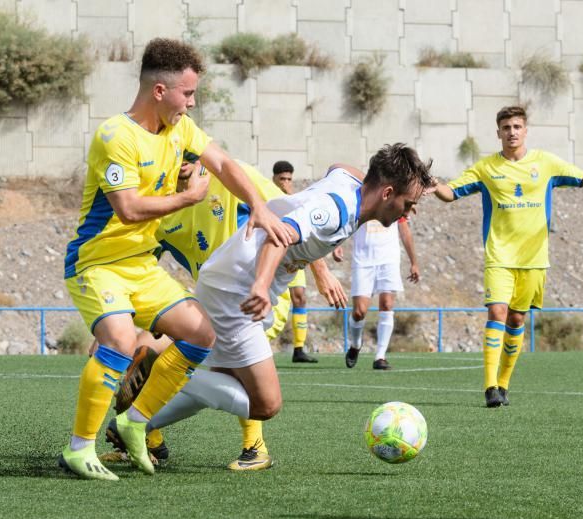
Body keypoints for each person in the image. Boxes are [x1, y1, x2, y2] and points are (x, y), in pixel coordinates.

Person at [112, 144, 433, 471]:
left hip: (227, 280)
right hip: (236, 293)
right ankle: (155, 373)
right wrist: (261, 287)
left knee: (222, 380)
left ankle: (136, 423)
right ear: (387, 192)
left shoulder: (351, 183)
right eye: (407, 204)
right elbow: (280, 237)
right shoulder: (335, 211)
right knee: (265, 405)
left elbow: (339, 163)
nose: (407, 213)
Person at [58, 38, 291, 481]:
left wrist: (259, 206)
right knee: (121, 341)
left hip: (141, 266)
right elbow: (127, 207)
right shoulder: (115, 135)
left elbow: (223, 163)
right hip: (97, 263)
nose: (192, 102)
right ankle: (78, 449)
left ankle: (135, 423)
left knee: (201, 332)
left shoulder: (180, 130)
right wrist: (187, 199)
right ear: (160, 91)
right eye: (187, 93)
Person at [103, 153, 345, 471]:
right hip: (213, 300)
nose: (184, 158)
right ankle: (149, 441)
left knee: (209, 369)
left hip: (259, 297)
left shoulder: (230, 176)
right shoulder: (159, 210)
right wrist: (116, 314)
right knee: (139, 352)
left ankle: (252, 447)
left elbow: (293, 216)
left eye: (189, 150)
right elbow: (139, 264)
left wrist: (321, 270)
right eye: (175, 151)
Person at [433, 105, 583, 408]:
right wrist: (435, 187)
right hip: (499, 256)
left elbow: (581, 179)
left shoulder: (546, 163)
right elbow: (451, 193)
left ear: (525, 130)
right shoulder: (486, 169)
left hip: (535, 259)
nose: (512, 132)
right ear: (498, 132)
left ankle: (505, 384)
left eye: (517, 127)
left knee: (516, 318)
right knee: (497, 312)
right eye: (506, 127)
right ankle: (489, 387)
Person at [334, 214, 420, 370]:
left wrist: (414, 262)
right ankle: (356, 344)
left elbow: (404, 229)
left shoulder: (394, 194)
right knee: (359, 312)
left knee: (387, 304)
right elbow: (348, 220)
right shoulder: (361, 192)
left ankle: (380, 356)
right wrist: (337, 244)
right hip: (363, 260)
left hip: (389, 259)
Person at [271, 160, 317, 363]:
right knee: (271, 299)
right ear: (274, 178)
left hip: (292, 253)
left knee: (300, 297)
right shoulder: (268, 194)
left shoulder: (293, 197)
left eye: (289, 179)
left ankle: (299, 348)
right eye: (282, 178)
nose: (286, 182)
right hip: (272, 254)